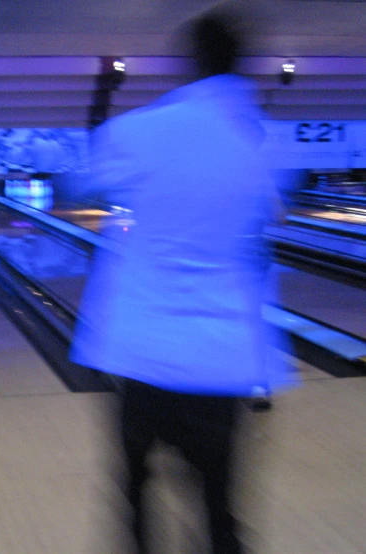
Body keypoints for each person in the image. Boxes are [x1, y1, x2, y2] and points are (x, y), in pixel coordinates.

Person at [71, 10, 298, 554]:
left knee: (134, 499)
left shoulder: (145, 129)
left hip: (145, 355)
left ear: (188, 62)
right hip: (221, 363)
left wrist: (103, 96)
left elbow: (83, 180)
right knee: (220, 512)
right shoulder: (264, 144)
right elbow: (269, 228)